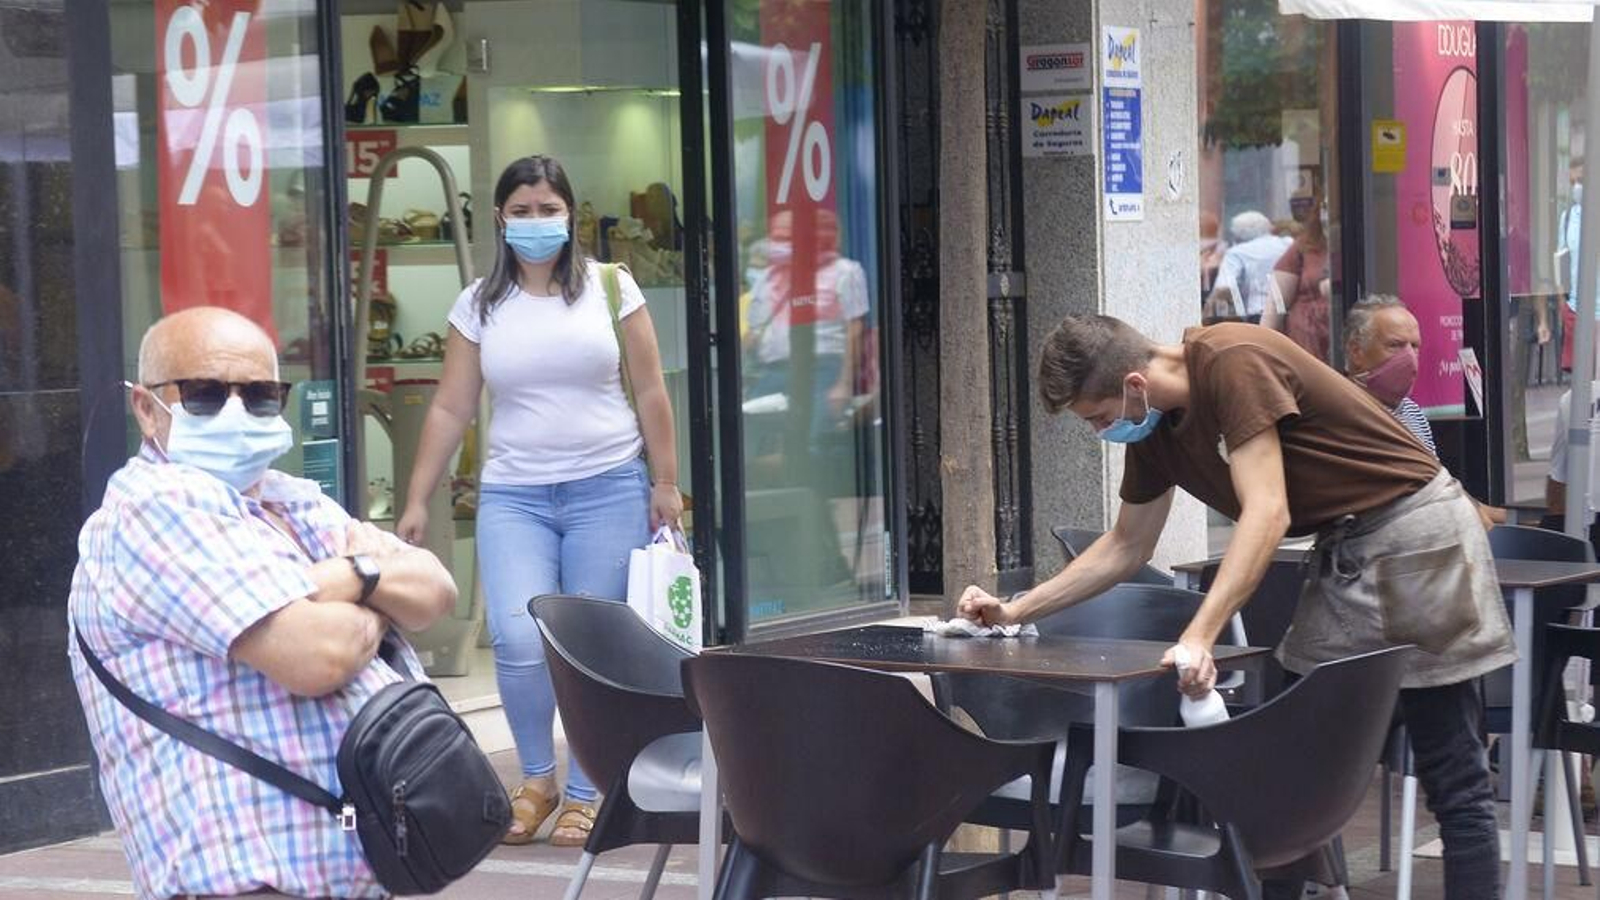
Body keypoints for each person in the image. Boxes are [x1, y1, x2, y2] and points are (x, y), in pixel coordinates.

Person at [959, 315, 1514, 900]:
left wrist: (1200, 634)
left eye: (1100, 418)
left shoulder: (1233, 360)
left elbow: (1267, 512)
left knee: (1450, 768)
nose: (1102, 431)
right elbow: (1126, 546)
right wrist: (1019, 610)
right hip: (1346, 550)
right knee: (1285, 775)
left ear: (1134, 385)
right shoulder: (1154, 432)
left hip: (1416, 535)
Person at [69, 307, 456, 900]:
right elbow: (317, 656)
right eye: (202, 394)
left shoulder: (286, 497)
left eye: (259, 396)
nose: (235, 414)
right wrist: (378, 587)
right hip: (247, 879)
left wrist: (349, 576)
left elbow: (435, 591)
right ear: (147, 408)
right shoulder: (153, 508)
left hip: (347, 864)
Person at [396, 155, 682, 847]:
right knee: (520, 641)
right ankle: (534, 779)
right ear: (499, 218)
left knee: (589, 647)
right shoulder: (479, 303)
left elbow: (650, 391)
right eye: (520, 211)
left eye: (547, 208)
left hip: (607, 486)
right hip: (514, 494)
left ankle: (586, 789)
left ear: (570, 214)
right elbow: (451, 407)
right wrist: (416, 499)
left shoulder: (612, 290)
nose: (534, 222)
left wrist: (666, 482)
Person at [1265, 195, 1332, 362]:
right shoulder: (1305, 246)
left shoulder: (1366, 243)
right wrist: (1264, 350)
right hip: (1306, 344)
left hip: (1346, 342)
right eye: (1324, 207)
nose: (1327, 214)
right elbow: (1275, 304)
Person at [1204, 211, 1290, 324]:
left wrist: (1205, 316)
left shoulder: (1236, 253)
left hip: (1257, 317)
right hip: (1289, 314)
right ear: (1268, 228)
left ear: (1237, 235)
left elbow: (1224, 288)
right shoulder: (1288, 244)